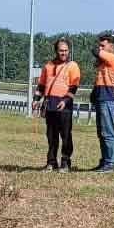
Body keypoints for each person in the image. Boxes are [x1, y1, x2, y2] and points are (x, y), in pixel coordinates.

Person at [34, 38, 81, 172]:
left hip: (64, 104)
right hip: (50, 103)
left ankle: (65, 163)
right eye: (61, 50)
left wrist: (65, 100)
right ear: (56, 51)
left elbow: (74, 86)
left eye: (66, 50)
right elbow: (42, 85)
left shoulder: (73, 66)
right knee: (51, 135)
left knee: (65, 135)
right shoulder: (48, 66)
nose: (64, 53)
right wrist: (36, 99)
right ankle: (51, 162)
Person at [90, 33, 114, 173]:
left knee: (108, 132)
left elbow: (95, 51)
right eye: (100, 45)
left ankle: (110, 163)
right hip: (101, 98)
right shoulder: (105, 62)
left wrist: (99, 52)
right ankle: (105, 161)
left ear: (111, 46)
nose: (100, 48)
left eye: (103, 45)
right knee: (102, 133)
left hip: (107, 99)